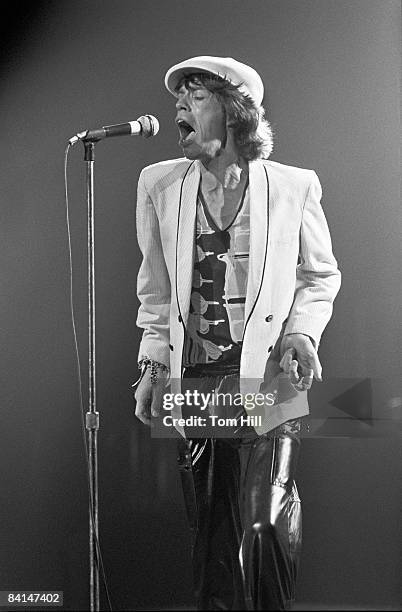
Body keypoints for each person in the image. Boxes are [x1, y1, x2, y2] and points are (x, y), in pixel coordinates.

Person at [133, 56, 341, 611]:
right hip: (199, 379)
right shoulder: (159, 185)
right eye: (181, 96)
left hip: (270, 376)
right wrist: (152, 368)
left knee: (265, 522)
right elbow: (154, 292)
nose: (180, 104)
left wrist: (304, 333)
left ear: (236, 111)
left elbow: (319, 275)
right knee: (212, 543)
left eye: (197, 95)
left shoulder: (294, 186)